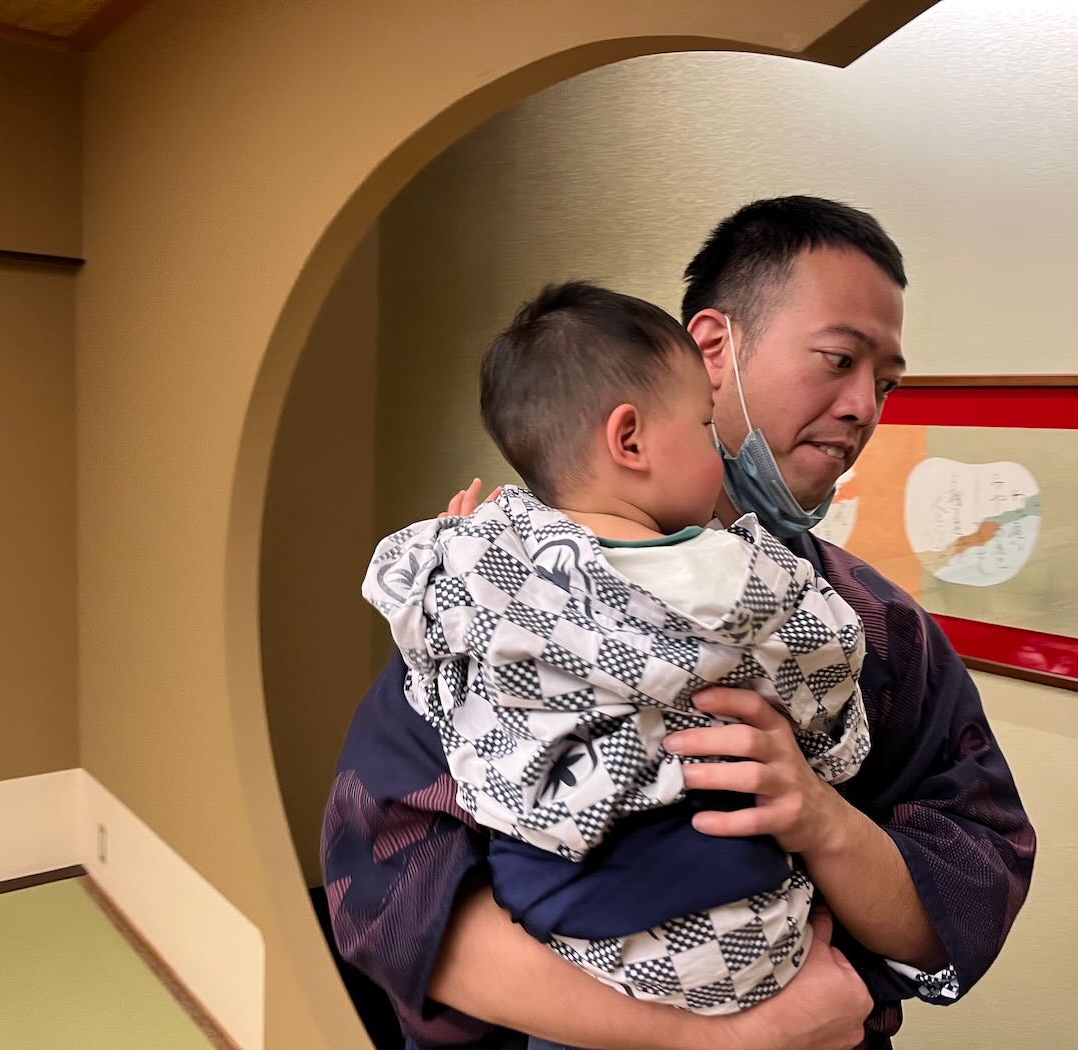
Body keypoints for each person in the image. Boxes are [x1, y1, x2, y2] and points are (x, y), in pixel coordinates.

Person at [323, 196, 1037, 1050]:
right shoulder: (509, 594)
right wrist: (715, 1041)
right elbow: (389, 889)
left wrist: (818, 816)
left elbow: (967, 893)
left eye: (883, 383)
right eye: (838, 360)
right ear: (713, 351)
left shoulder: (873, 627)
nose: (862, 408)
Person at [360, 281, 872, 1018]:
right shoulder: (740, 573)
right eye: (703, 426)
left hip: (558, 914)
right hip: (723, 917)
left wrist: (461, 548)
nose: (718, 446)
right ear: (629, 439)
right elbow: (827, 674)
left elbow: (422, 638)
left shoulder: (481, 563)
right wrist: (829, 751)